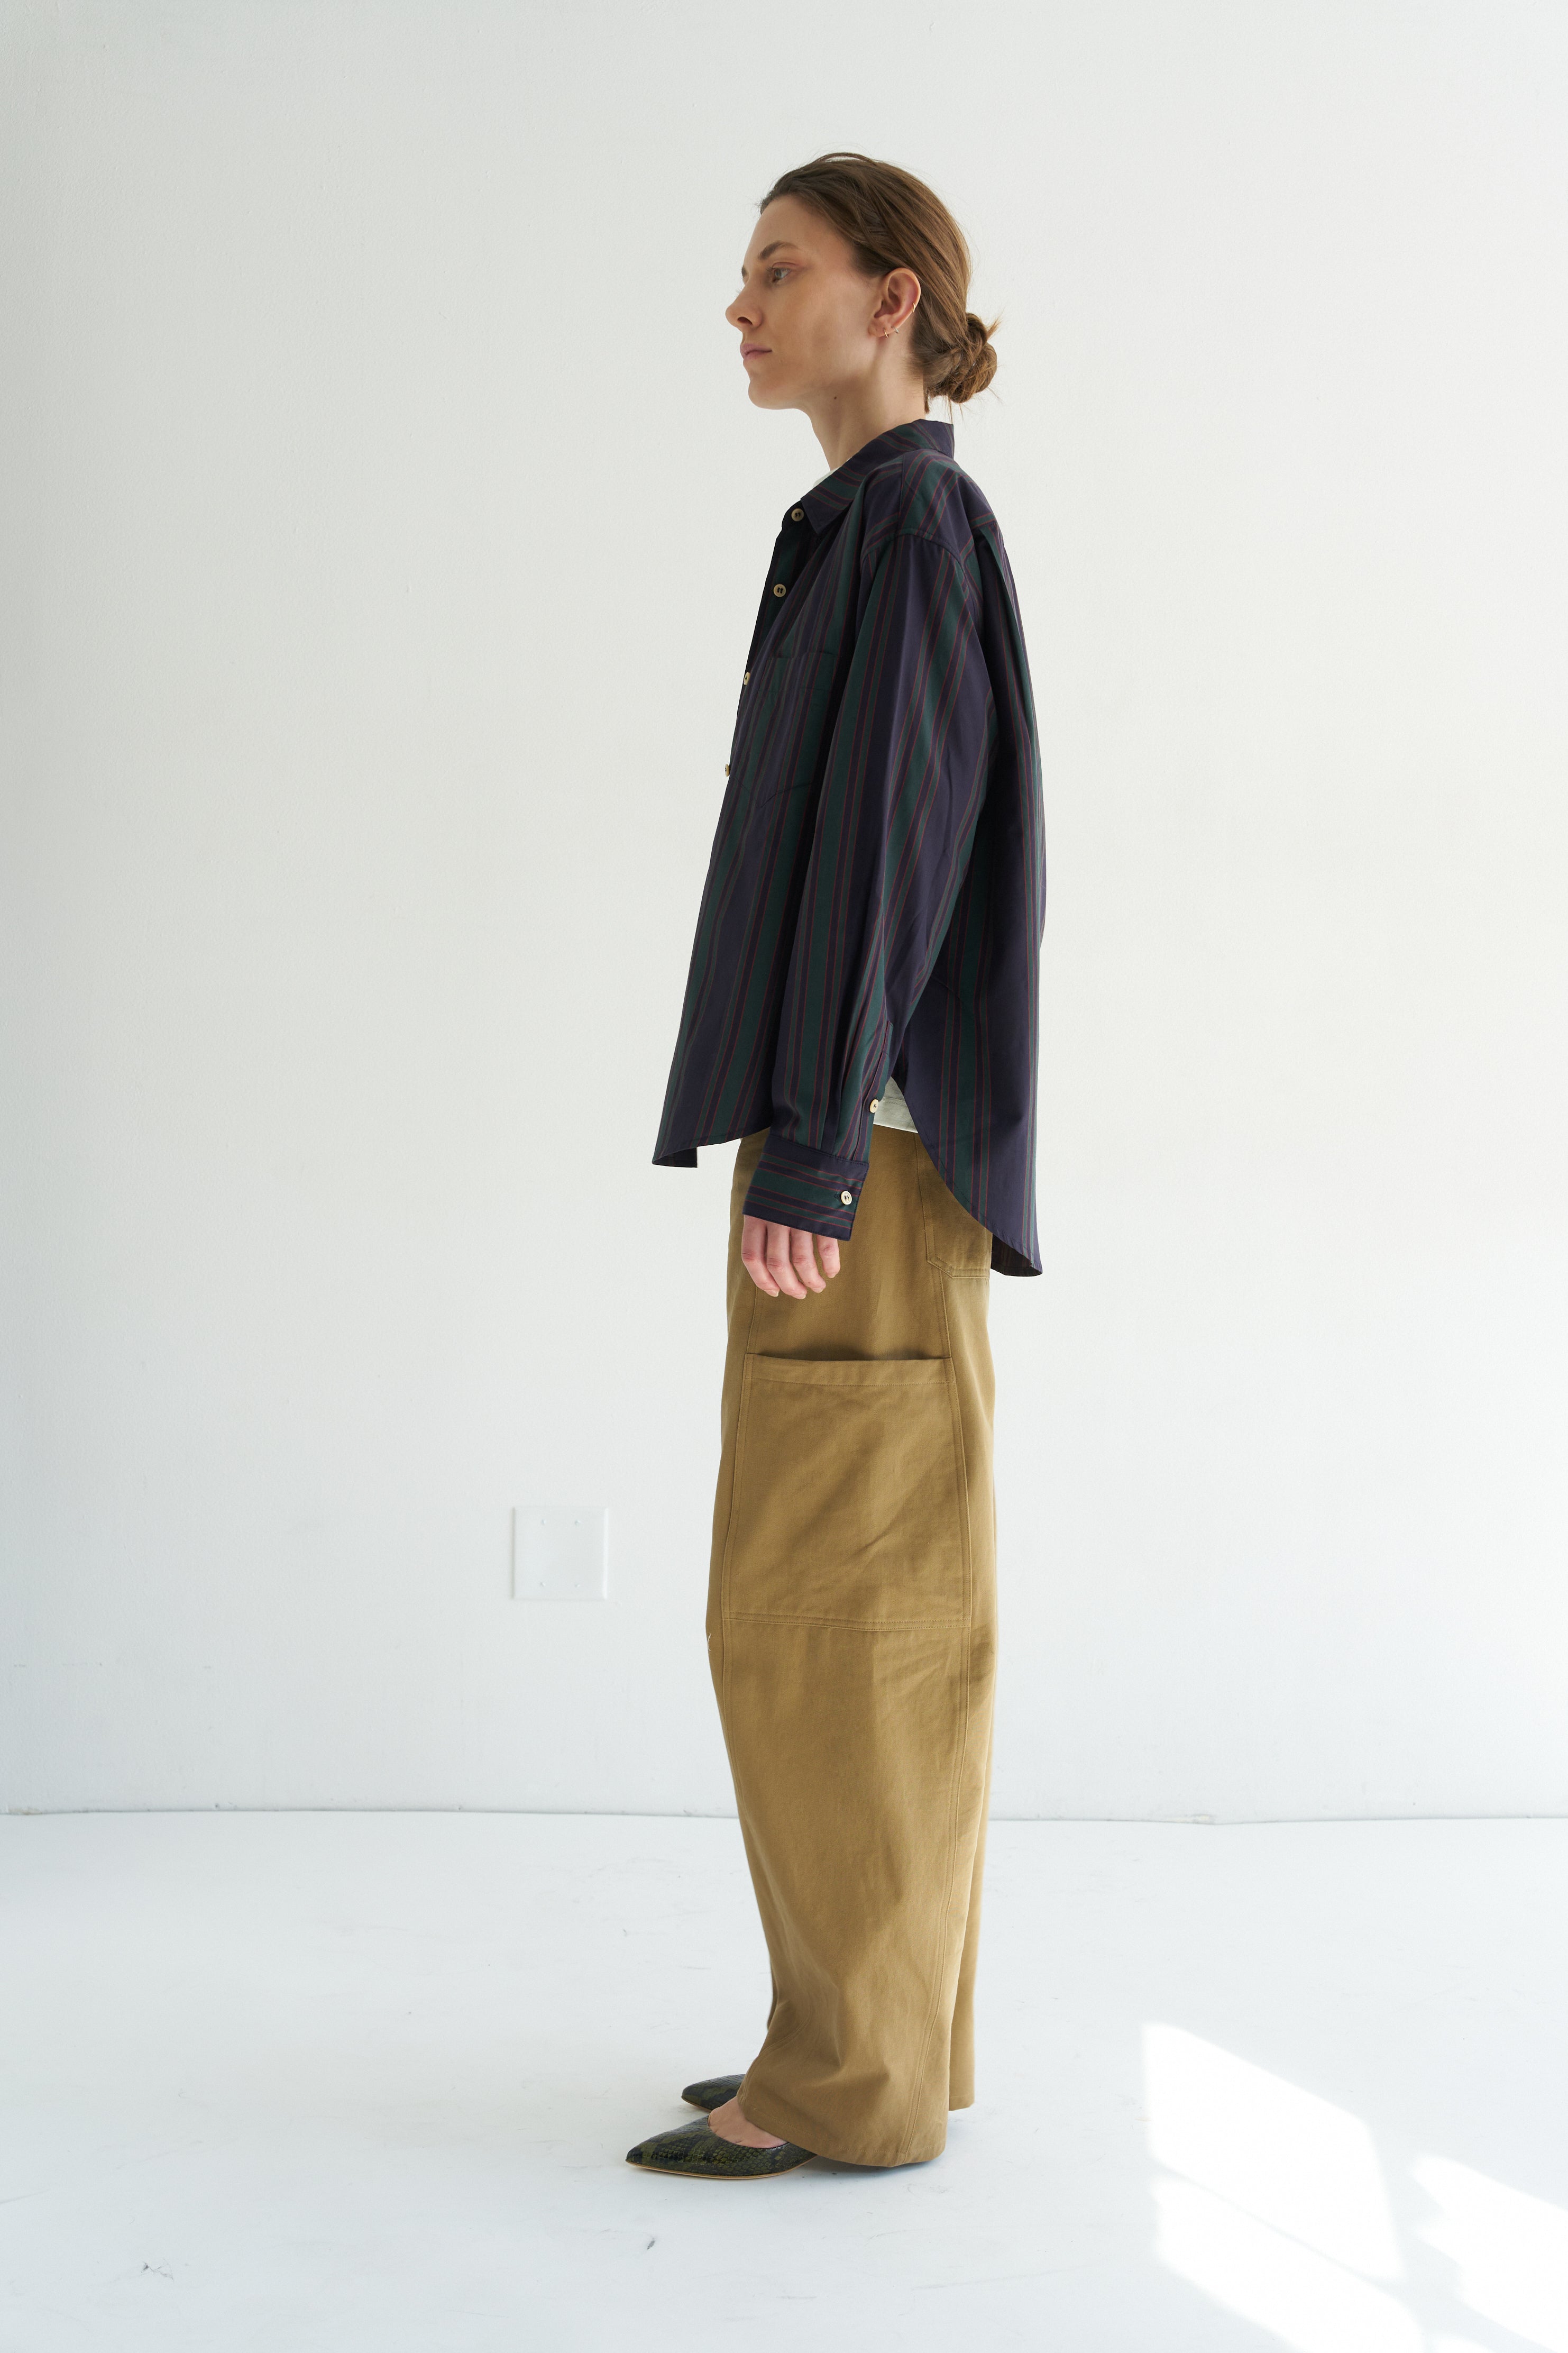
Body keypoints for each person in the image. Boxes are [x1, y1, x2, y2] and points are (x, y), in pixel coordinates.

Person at [629, 152, 1046, 2181]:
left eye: (778, 268)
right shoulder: (866, 528)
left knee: (837, 1619)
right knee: (837, 1609)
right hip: (845, 1143)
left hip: (856, 1159)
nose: (742, 304)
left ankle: (852, 2087)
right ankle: (865, 2048)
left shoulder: (911, 526)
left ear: (891, 300)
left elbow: (893, 850)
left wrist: (810, 1149)